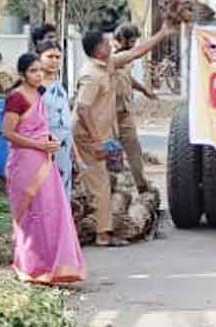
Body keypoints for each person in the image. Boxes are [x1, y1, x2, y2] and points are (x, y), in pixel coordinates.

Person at [73, 24, 175, 247]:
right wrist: (97, 141)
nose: (110, 45)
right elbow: (82, 109)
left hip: (101, 132)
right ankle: (102, 235)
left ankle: (96, 221)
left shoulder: (107, 65)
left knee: (102, 180)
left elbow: (136, 53)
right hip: (88, 136)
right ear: (98, 49)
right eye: (105, 42)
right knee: (100, 183)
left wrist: (163, 33)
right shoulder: (91, 75)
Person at [2, 53, 85, 285]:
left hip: (45, 160)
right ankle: (29, 267)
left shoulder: (39, 94)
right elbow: (8, 133)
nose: (38, 75)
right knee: (30, 216)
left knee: (51, 213)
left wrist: (50, 141)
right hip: (25, 163)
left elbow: (41, 127)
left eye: (40, 70)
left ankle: (52, 268)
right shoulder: (16, 99)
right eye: (32, 71)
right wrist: (39, 144)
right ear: (22, 74)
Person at [113, 24, 157, 194]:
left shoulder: (125, 60)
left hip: (125, 113)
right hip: (108, 115)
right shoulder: (109, 56)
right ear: (122, 39)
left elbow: (127, 77)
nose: (133, 44)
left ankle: (142, 187)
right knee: (109, 153)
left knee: (134, 151)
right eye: (131, 41)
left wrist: (143, 89)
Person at [36, 40, 74, 199]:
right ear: (39, 58)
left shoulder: (60, 86)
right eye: (49, 56)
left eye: (58, 57)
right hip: (43, 147)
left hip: (65, 150)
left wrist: (75, 151)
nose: (54, 61)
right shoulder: (35, 87)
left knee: (63, 193)